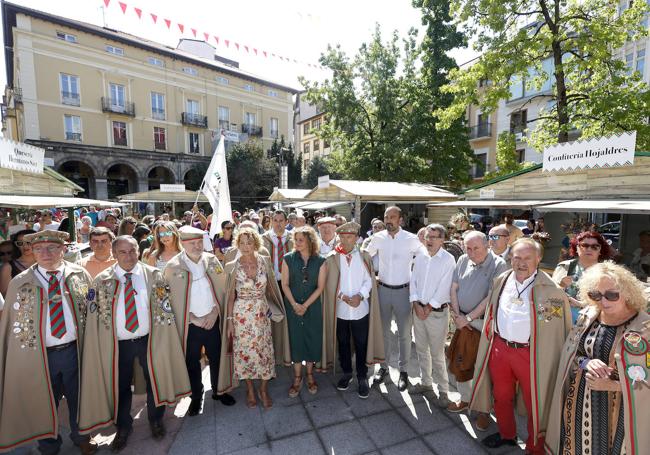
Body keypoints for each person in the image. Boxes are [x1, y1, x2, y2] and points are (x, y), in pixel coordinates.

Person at [78, 236, 190, 452]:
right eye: (122, 252)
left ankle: (155, 420)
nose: (128, 256)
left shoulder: (154, 276)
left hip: (150, 339)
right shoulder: (101, 281)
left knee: (154, 380)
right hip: (118, 344)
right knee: (120, 386)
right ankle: (123, 427)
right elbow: (93, 317)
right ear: (114, 254)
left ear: (139, 251)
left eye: (132, 251)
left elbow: (165, 309)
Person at [470, 238, 572, 454]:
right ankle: (507, 435)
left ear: (538, 259)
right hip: (499, 348)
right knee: (502, 395)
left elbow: (556, 330)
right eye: (517, 257)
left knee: (536, 401)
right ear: (510, 258)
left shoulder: (551, 290)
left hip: (531, 354)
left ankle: (536, 447)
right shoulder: (501, 279)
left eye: (527, 258)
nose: (521, 262)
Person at [0, 230, 96, 454]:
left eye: (52, 247)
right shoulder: (20, 282)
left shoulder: (79, 274)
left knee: (79, 397)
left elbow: (92, 306)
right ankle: (49, 445)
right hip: (39, 355)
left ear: (63, 250)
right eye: (39, 249)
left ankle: (82, 438)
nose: (45, 253)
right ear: (31, 251)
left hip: (75, 350)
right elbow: (10, 325)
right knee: (44, 403)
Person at [545, 262, 650, 455]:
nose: (603, 301)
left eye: (611, 294)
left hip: (622, 411)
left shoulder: (645, 327)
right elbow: (572, 353)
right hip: (580, 403)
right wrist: (586, 362)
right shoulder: (588, 316)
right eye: (596, 295)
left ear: (627, 292)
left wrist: (615, 386)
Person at [164, 226, 236, 416]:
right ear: (183, 244)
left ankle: (219, 391)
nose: (197, 246)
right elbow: (170, 299)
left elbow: (222, 289)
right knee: (191, 362)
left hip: (212, 320)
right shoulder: (173, 266)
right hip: (190, 325)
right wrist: (192, 318)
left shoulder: (211, 260)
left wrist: (214, 312)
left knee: (217, 357)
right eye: (192, 243)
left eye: (199, 242)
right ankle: (196, 395)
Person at [219, 227, 289, 408]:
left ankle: (263, 389)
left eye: (249, 242)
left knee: (264, 352)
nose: (245, 246)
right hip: (241, 314)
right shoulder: (231, 265)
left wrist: (275, 308)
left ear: (256, 243)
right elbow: (230, 295)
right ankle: (250, 389)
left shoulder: (265, 262)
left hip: (261, 313)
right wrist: (229, 321)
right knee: (245, 353)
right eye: (241, 243)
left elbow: (272, 287)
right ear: (237, 244)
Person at [447, 231, 507, 424]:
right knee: (461, 359)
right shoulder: (463, 259)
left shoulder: (499, 265)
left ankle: (484, 409)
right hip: (461, 318)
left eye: (476, 248)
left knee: (483, 366)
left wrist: (469, 318)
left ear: (487, 245)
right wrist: (457, 315)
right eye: (468, 248)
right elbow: (453, 287)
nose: (471, 253)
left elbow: (490, 297)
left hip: (482, 321)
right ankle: (465, 399)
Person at [321, 222, 384, 399]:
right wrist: (341, 296)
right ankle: (347, 372)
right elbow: (330, 282)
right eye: (342, 237)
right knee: (343, 342)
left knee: (361, 343)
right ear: (338, 238)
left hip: (360, 309)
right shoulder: (332, 257)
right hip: (340, 308)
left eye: (349, 237)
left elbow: (369, 280)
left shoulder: (364, 256)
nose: (345, 240)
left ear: (356, 238)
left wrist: (360, 296)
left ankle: (362, 376)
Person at [364, 206, 425, 391]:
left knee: (404, 334)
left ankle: (404, 370)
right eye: (386, 217)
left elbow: (424, 259)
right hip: (382, 290)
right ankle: (383, 367)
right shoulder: (378, 238)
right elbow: (365, 256)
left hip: (403, 292)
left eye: (392, 217)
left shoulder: (411, 239)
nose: (389, 220)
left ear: (400, 220)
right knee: (383, 333)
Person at [408, 224, 456, 406]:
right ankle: (426, 383)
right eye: (428, 236)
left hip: (435, 314)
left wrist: (427, 308)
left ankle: (443, 390)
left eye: (434, 237)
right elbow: (413, 280)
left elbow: (444, 287)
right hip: (418, 310)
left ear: (442, 240)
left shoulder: (448, 260)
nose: (430, 240)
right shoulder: (420, 257)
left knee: (437, 354)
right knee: (421, 350)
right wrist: (415, 304)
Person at [281, 226, 327, 397]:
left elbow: (320, 287)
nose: (297, 243)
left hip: (312, 307)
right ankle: (297, 377)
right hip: (292, 307)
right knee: (296, 340)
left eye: (301, 239)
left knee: (311, 339)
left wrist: (305, 305)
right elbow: (284, 284)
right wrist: (294, 304)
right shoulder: (287, 259)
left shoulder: (321, 261)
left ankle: (309, 375)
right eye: (295, 239)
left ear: (310, 240)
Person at [552, 230, 613, 324]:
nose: (589, 249)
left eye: (595, 246)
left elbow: (612, 301)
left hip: (593, 323)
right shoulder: (564, 267)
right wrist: (561, 285)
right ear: (577, 248)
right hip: (563, 321)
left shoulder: (607, 272)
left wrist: (581, 304)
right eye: (584, 245)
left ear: (600, 250)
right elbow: (550, 296)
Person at [262, 210, 294, 289]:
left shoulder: (293, 238)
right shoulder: (263, 238)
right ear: (271, 222)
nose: (278, 223)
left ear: (286, 222)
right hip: (270, 281)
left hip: (290, 280)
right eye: (275, 220)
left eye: (281, 221)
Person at [0, 229, 36, 296]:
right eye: (20, 243)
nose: (25, 246)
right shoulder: (8, 267)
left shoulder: (47, 263)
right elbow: (4, 297)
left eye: (28, 242)